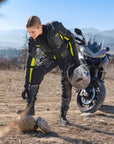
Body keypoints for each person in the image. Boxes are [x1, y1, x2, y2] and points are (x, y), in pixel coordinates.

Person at [17, 16, 82, 125]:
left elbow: (70, 37)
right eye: (29, 32)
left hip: (67, 57)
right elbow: (30, 63)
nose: (31, 35)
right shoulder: (33, 40)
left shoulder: (55, 27)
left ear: (40, 27)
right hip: (52, 58)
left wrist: (76, 60)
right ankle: (30, 108)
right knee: (36, 73)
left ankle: (63, 116)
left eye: (33, 31)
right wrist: (26, 86)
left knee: (66, 84)